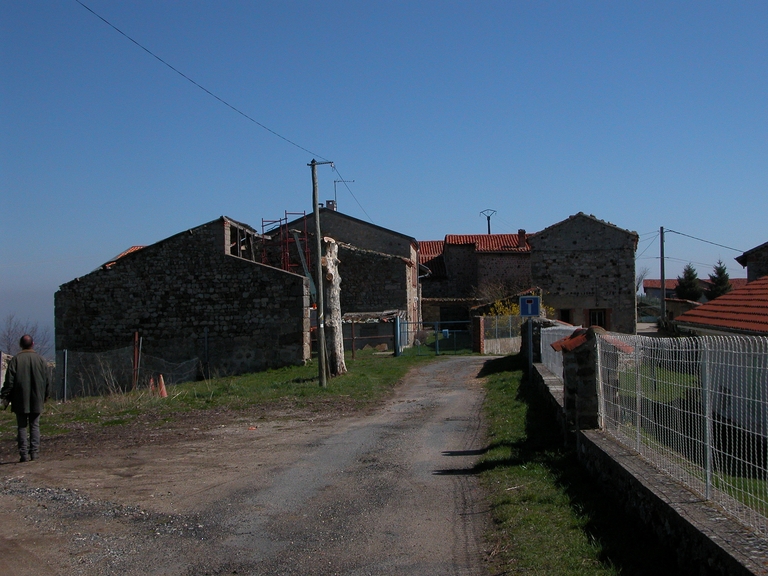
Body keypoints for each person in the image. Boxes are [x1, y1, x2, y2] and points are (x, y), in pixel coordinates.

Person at [1, 335, 51, 462]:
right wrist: (46, 395)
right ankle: (34, 453)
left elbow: (9, 382)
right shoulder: (40, 360)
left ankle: (23, 454)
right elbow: (47, 381)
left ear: (20, 344)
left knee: (21, 426)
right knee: (35, 425)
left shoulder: (16, 360)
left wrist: (4, 395)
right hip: (37, 397)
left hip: (19, 398)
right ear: (33, 344)